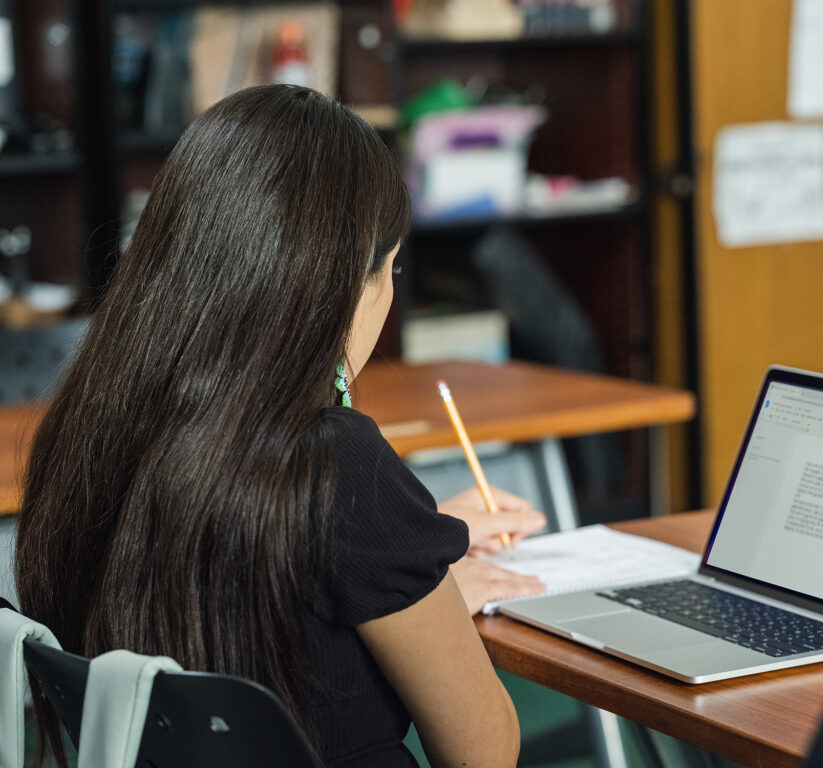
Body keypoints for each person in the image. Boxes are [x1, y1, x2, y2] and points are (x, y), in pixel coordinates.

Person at [15, 84, 546, 768]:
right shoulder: (338, 464)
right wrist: (426, 588)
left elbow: (232, 572)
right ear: (345, 284)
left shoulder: (89, 428)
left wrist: (417, 573)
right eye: (388, 270)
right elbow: (485, 752)